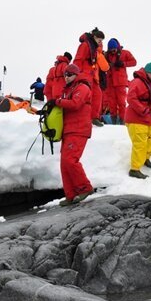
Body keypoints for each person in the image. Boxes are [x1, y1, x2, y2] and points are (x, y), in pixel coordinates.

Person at [55, 64, 94, 206]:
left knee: (70, 160)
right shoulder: (69, 89)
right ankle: (70, 194)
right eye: (65, 74)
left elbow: (75, 104)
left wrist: (58, 102)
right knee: (64, 163)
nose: (66, 77)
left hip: (79, 130)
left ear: (76, 75)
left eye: (70, 74)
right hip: (69, 130)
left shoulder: (82, 87)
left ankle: (85, 188)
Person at [74, 28, 110, 126]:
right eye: (99, 39)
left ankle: (94, 117)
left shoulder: (94, 48)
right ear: (94, 37)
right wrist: (77, 75)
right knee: (87, 97)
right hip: (85, 75)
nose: (100, 41)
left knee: (98, 95)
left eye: (101, 40)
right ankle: (84, 118)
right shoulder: (85, 45)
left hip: (93, 76)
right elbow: (78, 60)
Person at [104, 38, 137, 124]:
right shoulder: (106, 55)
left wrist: (123, 64)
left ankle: (123, 122)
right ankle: (114, 122)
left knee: (122, 102)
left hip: (120, 82)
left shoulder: (125, 53)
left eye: (114, 49)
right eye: (111, 50)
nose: (113, 51)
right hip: (110, 82)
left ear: (117, 47)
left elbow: (134, 62)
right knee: (112, 103)